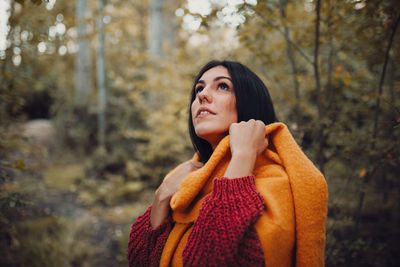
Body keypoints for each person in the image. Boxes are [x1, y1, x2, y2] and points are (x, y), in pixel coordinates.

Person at [127, 60, 328, 267]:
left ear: (249, 101)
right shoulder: (189, 181)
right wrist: (162, 196)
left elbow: (210, 260)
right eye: (199, 88)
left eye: (222, 86)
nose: (201, 95)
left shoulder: (276, 183)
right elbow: (140, 262)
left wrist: (242, 156)